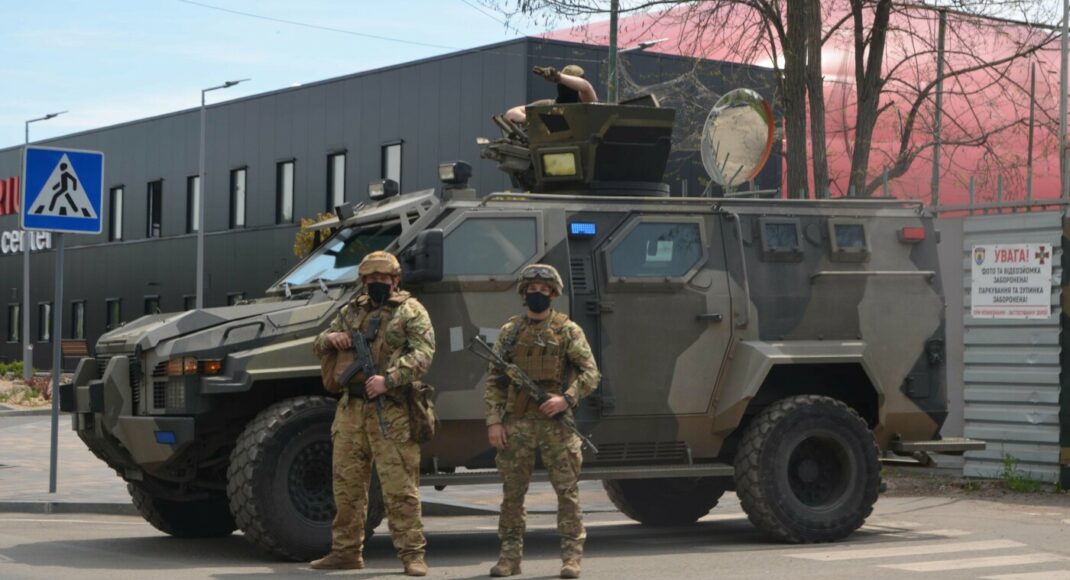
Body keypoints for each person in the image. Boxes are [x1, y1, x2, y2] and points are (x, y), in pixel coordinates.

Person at [310, 250, 435, 576]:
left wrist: (388, 379)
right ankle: (346, 552)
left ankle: (412, 555)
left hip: (391, 410)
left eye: (383, 279)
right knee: (346, 488)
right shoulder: (351, 312)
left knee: (400, 488)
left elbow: (424, 354)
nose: (377, 284)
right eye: (371, 279)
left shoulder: (411, 312)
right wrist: (330, 338)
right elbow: (317, 342)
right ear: (363, 281)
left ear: (395, 280)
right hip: (351, 410)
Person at [484, 264, 601, 579]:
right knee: (512, 494)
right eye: (532, 288)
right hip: (517, 423)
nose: (538, 293)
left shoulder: (567, 330)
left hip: (557, 424)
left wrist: (566, 399)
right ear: (524, 293)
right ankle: (509, 558)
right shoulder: (510, 332)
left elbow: (591, 373)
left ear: (553, 293)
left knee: (567, 492)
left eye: (544, 289)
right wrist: (494, 421)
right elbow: (495, 380)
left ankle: (571, 558)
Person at [504, 64, 599, 124]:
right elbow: (510, 114)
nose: (566, 87)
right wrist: (530, 119)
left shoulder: (587, 106)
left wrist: (559, 77)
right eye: (563, 85)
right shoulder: (546, 106)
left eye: (570, 84)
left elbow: (586, 87)